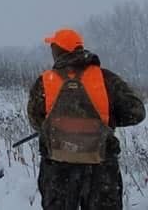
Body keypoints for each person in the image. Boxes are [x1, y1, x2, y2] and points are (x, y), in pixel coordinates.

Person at [27, 27, 145, 209]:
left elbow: (36, 120)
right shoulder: (106, 79)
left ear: (59, 51)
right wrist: (107, 119)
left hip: (58, 169)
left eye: (52, 47)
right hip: (101, 169)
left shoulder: (45, 81)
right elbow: (137, 112)